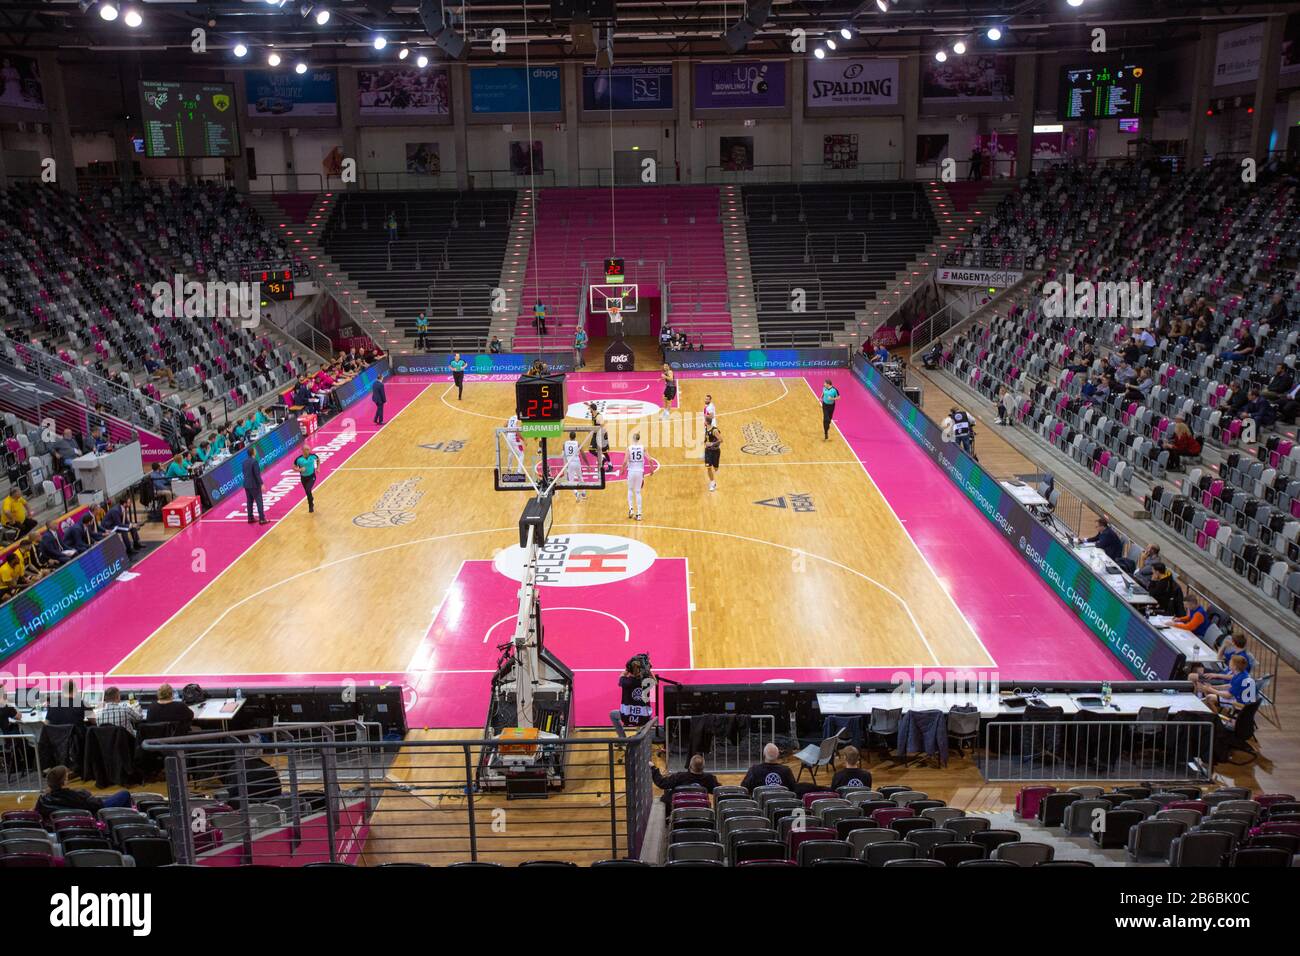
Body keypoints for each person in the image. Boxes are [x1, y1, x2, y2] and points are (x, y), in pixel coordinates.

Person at [36, 765, 132, 819]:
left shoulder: (42, 801)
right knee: (124, 794)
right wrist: (87, 794)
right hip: (94, 814)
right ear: (64, 782)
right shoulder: (77, 796)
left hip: (63, 828)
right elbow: (97, 804)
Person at [1190, 653, 1256, 718]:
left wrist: (1211, 690)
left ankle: (1218, 720)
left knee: (1209, 698)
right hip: (1246, 702)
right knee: (1210, 694)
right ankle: (1220, 715)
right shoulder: (1242, 674)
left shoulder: (1240, 678)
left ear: (1235, 666)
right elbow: (1229, 685)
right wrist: (1212, 687)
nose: (1229, 663)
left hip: (1240, 704)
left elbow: (1228, 695)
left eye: (1230, 662)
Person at [650, 753, 720, 807]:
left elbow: (662, 783)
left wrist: (653, 768)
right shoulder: (709, 778)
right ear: (703, 767)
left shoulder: (680, 776)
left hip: (679, 810)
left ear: (689, 766)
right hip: (700, 811)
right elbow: (719, 791)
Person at [618, 659, 653, 728]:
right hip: (644, 718)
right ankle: (642, 733)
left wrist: (627, 670)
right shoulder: (648, 682)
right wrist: (648, 668)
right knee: (653, 720)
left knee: (612, 714)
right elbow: (654, 680)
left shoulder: (624, 682)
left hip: (626, 717)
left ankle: (622, 737)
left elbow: (622, 675)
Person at [623, 430, 647, 521]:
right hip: (640, 472)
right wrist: (652, 470)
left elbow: (625, 462)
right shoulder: (643, 448)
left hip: (631, 472)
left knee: (629, 489)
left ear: (633, 439)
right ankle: (639, 514)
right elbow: (650, 460)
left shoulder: (629, 448)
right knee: (638, 492)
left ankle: (631, 509)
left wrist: (621, 470)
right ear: (639, 439)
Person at [242, 445, 267, 525]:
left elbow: (244, 473)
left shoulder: (244, 461)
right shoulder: (254, 461)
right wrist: (261, 484)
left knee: (249, 502)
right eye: (255, 450)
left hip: (246, 484)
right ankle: (262, 519)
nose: (256, 451)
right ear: (253, 452)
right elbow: (257, 474)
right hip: (254, 485)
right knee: (259, 501)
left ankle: (250, 518)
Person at [294, 443, 320, 514]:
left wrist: (318, 468)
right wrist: (299, 470)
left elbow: (318, 459)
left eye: (309, 449)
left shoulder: (313, 456)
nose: (309, 450)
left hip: (312, 477)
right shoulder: (298, 459)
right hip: (303, 478)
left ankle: (310, 505)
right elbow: (294, 467)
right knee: (307, 492)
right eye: (307, 449)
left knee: (308, 489)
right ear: (303, 450)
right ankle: (311, 500)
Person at [562, 430, 586, 502]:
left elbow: (564, 455)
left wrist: (565, 464)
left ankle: (576, 493)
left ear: (569, 436)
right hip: (577, 462)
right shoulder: (577, 443)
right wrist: (587, 464)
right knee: (580, 477)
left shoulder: (564, 444)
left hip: (570, 462)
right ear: (575, 436)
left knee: (570, 481)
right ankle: (584, 492)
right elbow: (583, 454)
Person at [703, 415, 722, 492]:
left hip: (715, 451)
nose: (703, 422)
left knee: (716, 468)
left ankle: (716, 469)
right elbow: (707, 438)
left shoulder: (714, 430)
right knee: (708, 467)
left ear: (706, 422)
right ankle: (712, 483)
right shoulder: (706, 428)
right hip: (708, 451)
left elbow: (721, 440)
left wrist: (711, 444)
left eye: (704, 421)